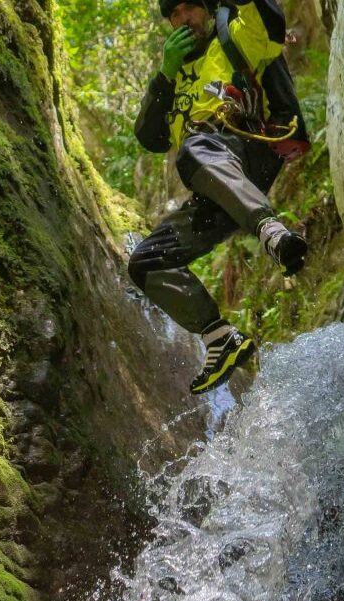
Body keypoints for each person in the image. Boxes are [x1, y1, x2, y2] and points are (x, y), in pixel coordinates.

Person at [128, 0, 311, 393]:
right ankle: (219, 337)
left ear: (207, 9)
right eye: (174, 14)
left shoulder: (235, 37)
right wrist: (165, 72)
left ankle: (270, 230)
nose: (183, 19)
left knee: (194, 149)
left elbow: (270, 19)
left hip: (248, 151)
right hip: (213, 181)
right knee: (146, 262)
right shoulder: (174, 77)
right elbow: (149, 136)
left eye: (190, 8)